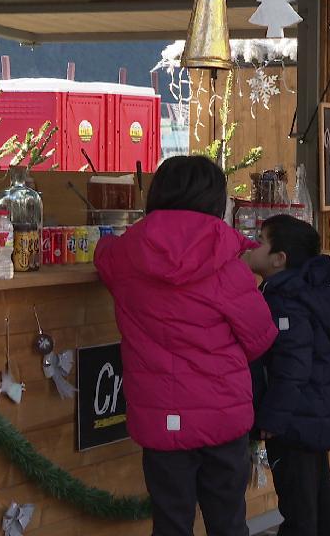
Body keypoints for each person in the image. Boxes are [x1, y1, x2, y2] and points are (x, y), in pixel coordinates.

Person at [95, 155, 277, 536]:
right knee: (228, 523)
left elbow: (103, 256)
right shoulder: (227, 264)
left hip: (162, 421)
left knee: (171, 524)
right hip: (223, 419)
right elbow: (260, 338)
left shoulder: (126, 256)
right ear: (215, 201)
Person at [246, 215, 330, 536]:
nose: (250, 243)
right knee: (316, 500)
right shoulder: (307, 293)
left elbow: (292, 367)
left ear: (279, 259)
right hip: (313, 415)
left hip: (294, 420)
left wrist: (272, 418)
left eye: (259, 240)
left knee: (300, 510)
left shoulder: (285, 302)